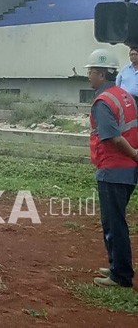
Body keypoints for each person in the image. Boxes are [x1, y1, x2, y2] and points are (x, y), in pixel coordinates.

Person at [84, 48, 138, 289]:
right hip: (128, 169)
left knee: (114, 222)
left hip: (114, 168)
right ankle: (117, 264)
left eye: (91, 72)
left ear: (102, 74)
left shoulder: (103, 102)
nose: (89, 76)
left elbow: (112, 137)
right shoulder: (124, 96)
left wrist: (134, 153)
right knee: (117, 220)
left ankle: (121, 275)